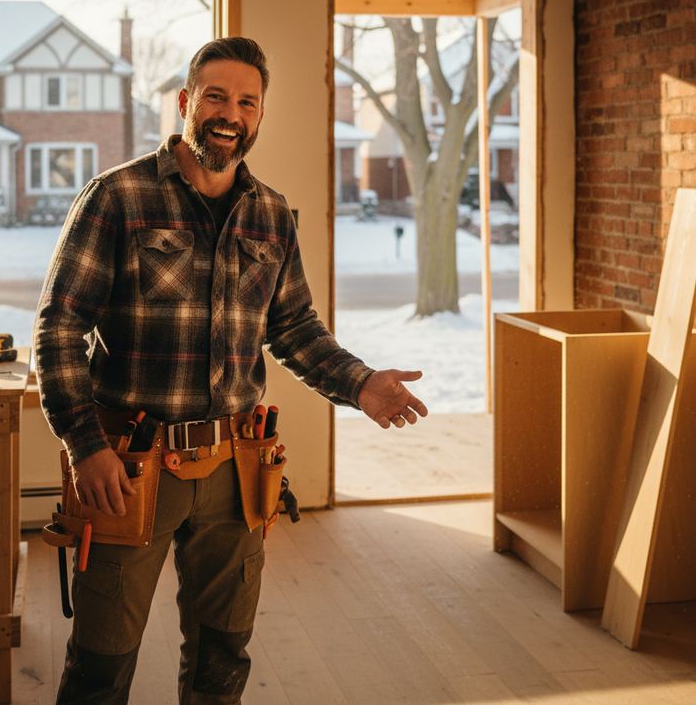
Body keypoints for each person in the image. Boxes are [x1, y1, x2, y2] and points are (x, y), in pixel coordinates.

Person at [35, 37, 427, 704]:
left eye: (247, 101)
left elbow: (294, 327)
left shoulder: (271, 214)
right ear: (187, 102)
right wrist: (84, 445)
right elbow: (60, 326)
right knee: (102, 664)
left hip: (236, 468)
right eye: (216, 96)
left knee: (223, 656)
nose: (230, 112)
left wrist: (359, 382)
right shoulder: (118, 197)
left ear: (260, 115)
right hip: (129, 468)